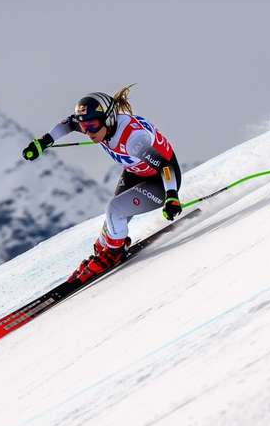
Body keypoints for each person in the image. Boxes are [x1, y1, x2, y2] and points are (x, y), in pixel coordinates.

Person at [22, 85, 183, 284]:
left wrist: (172, 196)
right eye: (84, 127)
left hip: (161, 181)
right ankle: (109, 250)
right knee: (105, 238)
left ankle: (113, 253)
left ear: (109, 119)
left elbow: (165, 166)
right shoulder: (100, 126)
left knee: (115, 210)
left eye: (92, 126)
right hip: (135, 173)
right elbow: (68, 124)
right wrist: (43, 142)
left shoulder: (134, 140)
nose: (88, 132)